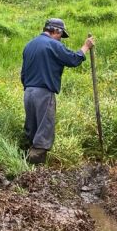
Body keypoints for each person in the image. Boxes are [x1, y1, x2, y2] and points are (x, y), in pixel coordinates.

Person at [21, 18, 95, 164]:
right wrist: (85, 47)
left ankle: (24, 162)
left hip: (28, 93)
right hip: (43, 93)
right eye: (61, 35)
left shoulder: (29, 45)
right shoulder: (53, 44)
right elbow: (73, 60)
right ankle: (36, 167)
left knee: (32, 128)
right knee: (44, 130)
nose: (61, 39)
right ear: (56, 31)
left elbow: (23, 73)